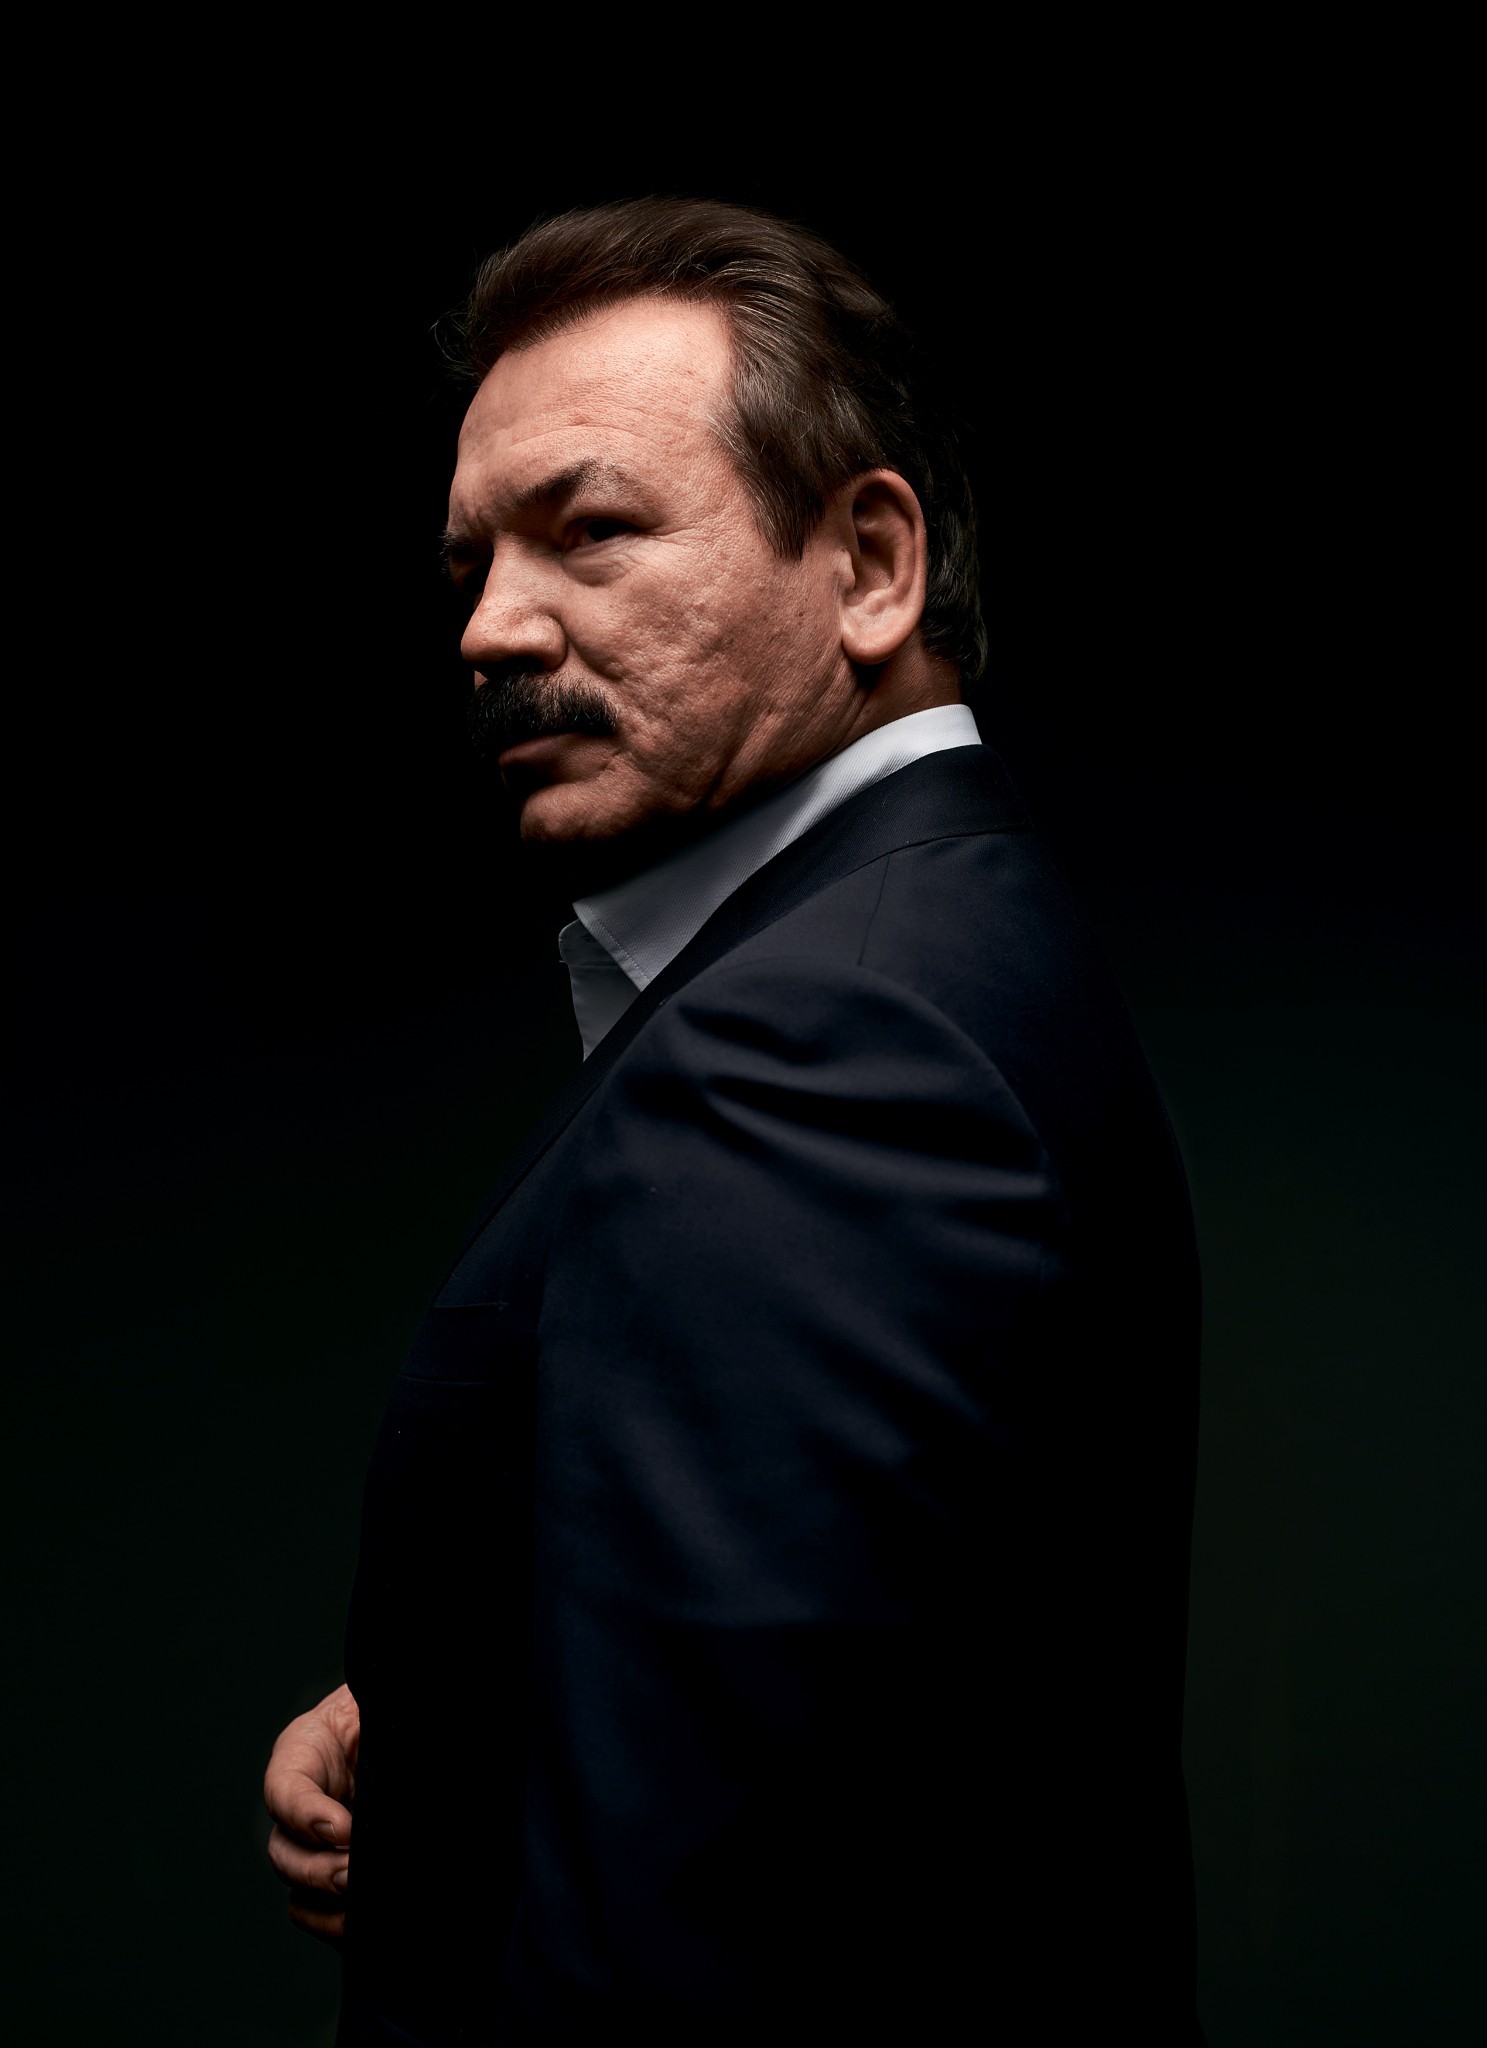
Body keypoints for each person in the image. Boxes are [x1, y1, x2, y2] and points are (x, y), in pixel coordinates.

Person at [264, 198, 1203, 2046]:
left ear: (871, 565)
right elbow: (882, 1717)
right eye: (471, 560)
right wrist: (463, 1724)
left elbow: (699, 1960)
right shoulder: (940, 943)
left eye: (590, 530)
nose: (489, 626)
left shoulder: (824, 1042)